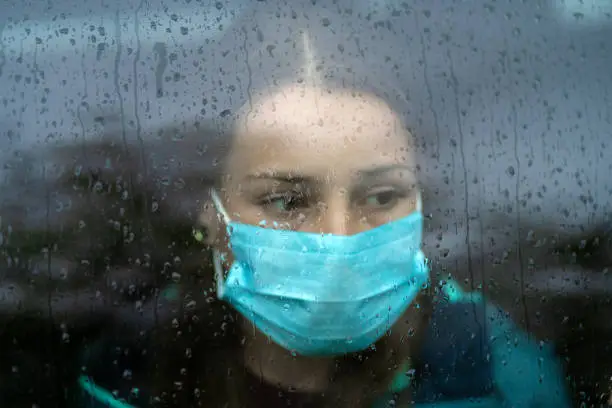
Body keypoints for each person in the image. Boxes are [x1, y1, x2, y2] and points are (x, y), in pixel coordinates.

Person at [0, 3, 579, 407]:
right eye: (286, 200)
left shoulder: (491, 372)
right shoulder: (132, 371)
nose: (337, 237)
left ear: (423, 203)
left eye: (381, 196)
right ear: (210, 214)